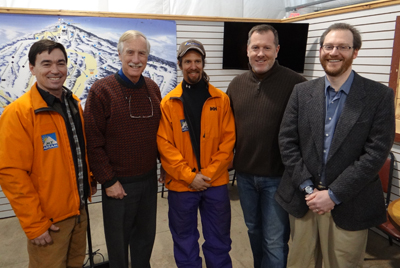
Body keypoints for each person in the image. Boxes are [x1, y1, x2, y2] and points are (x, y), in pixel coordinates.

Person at [276, 23, 395, 268]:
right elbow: (287, 141)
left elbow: (375, 154)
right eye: (328, 46)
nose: (334, 52)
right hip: (304, 201)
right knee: (301, 263)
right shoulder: (301, 91)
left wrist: (333, 194)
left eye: (343, 46)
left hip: (350, 203)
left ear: (355, 51)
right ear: (321, 50)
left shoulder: (379, 96)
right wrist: (309, 189)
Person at [0, 39, 96, 268]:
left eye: (60, 63)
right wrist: (35, 224)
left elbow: (77, 150)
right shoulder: (19, 113)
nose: (55, 70)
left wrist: (89, 180)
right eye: (46, 63)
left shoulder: (72, 103)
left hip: (78, 212)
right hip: (50, 222)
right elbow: (11, 173)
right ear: (32, 68)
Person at [226, 24, 306, 267]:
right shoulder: (236, 85)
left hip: (278, 179)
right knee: (253, 231)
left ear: (277, 50)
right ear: (247, 51)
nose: (261, 53)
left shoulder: (298, 85)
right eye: (255, 47)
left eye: (267, 48)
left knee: (273, 239)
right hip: (246, 177)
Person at [84, 30, 161, 268]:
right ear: (119, 54)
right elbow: (93, 141)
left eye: (142, 53)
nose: (136, 59)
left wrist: (165, 167)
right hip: (119, 185)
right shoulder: (101, 90)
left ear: (147, 57)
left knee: (144, 241)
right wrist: (108, 181)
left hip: (148, 181)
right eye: (130, 52)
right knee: (118, 248)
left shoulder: (153, 88)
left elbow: (161, 135)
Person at [157, 39, 236, 268]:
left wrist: (207, 175)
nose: (193, 66)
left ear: (203, 63)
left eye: (198, 61)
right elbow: (165, 145)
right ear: (180, 64)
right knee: (184, 241)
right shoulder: (168, 102)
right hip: (182, 185)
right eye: (188, 61)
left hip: (216, 184)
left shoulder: (221, 100)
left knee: (219, 240)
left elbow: (228, 142)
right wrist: (190, 176)